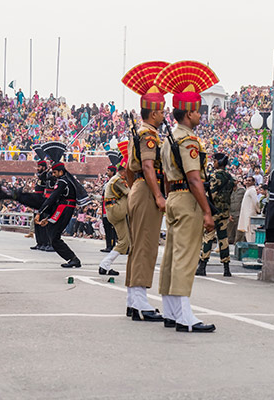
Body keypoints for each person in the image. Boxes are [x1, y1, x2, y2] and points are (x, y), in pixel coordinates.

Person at [155, 60, 217, 332]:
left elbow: (168, 176)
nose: (201, 116)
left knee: (171, 255)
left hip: (174, 197)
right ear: (189, 113)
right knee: (186, 256)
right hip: (188, 199)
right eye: (198, 111)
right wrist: (206, 210)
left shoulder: (169, 139)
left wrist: (169, 200)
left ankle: (170, 310)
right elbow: (194, 177)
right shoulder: (189, 140)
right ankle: (185, 316)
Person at [121, 61, 169, 322]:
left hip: (138, 188)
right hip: (148, 189)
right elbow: (149, 166)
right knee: (146, 245)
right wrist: (158, 195)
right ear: (153, 113)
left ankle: (133, 299)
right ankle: (139, 301)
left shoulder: (137, 132)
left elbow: (130, 169)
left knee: (138, 244)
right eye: (161, 111)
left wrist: (134, 190)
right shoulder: (149, 134)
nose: (164, 116)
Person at [37, 141, 89, 268]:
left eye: (54, 173)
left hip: (65, 208)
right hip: (63, 208)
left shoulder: (63, 182)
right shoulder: (63, 180)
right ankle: (72, 258)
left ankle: (73, 258)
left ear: (60, 172)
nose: (53, 175)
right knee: (53, 235)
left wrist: (40, 211)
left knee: (54, 237)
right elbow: (43, 178)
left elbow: (53, 198)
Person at [197, 153, 234, 277]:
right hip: (224, 212)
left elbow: (210, 194)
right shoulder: (229, 177)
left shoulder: (214, 176)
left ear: (218, 162)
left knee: (208, 238)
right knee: (223, 239)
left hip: (213, 212)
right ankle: (226, 268)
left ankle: (202, 266)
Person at [98, 141, 130, 276]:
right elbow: (130, 193)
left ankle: (105, 265)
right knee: (135, 195)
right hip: (116, 210)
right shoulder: (118, 180)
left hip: (114, 211)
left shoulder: (116, 179)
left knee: (125, 241)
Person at [100, 152, 119, 252]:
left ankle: (112, 245)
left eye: (108, 170)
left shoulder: (115, 182)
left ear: (112, 172)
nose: (107, 172)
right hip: (104, 207)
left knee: (111, 228)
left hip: (111, 207)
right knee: (106, 227)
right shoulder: (107, 182)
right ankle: (108, 245)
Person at [237, 176, 260, 242]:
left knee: (250, 233)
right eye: (246, 180)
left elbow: (255, 202)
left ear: (253, 182)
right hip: (247, 214)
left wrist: (258, 210)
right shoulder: (248, 189)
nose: (247, 182)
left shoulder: (252, 190)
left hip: (250, 214)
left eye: (249, 181)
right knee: (247, 233)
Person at [228, 179, 246, 244]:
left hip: (239, 214)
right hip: (230, 214)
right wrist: (228, 214)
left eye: (234, 180)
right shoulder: (228, 191)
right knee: (229, 235)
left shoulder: (242, 190)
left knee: (239, 233)